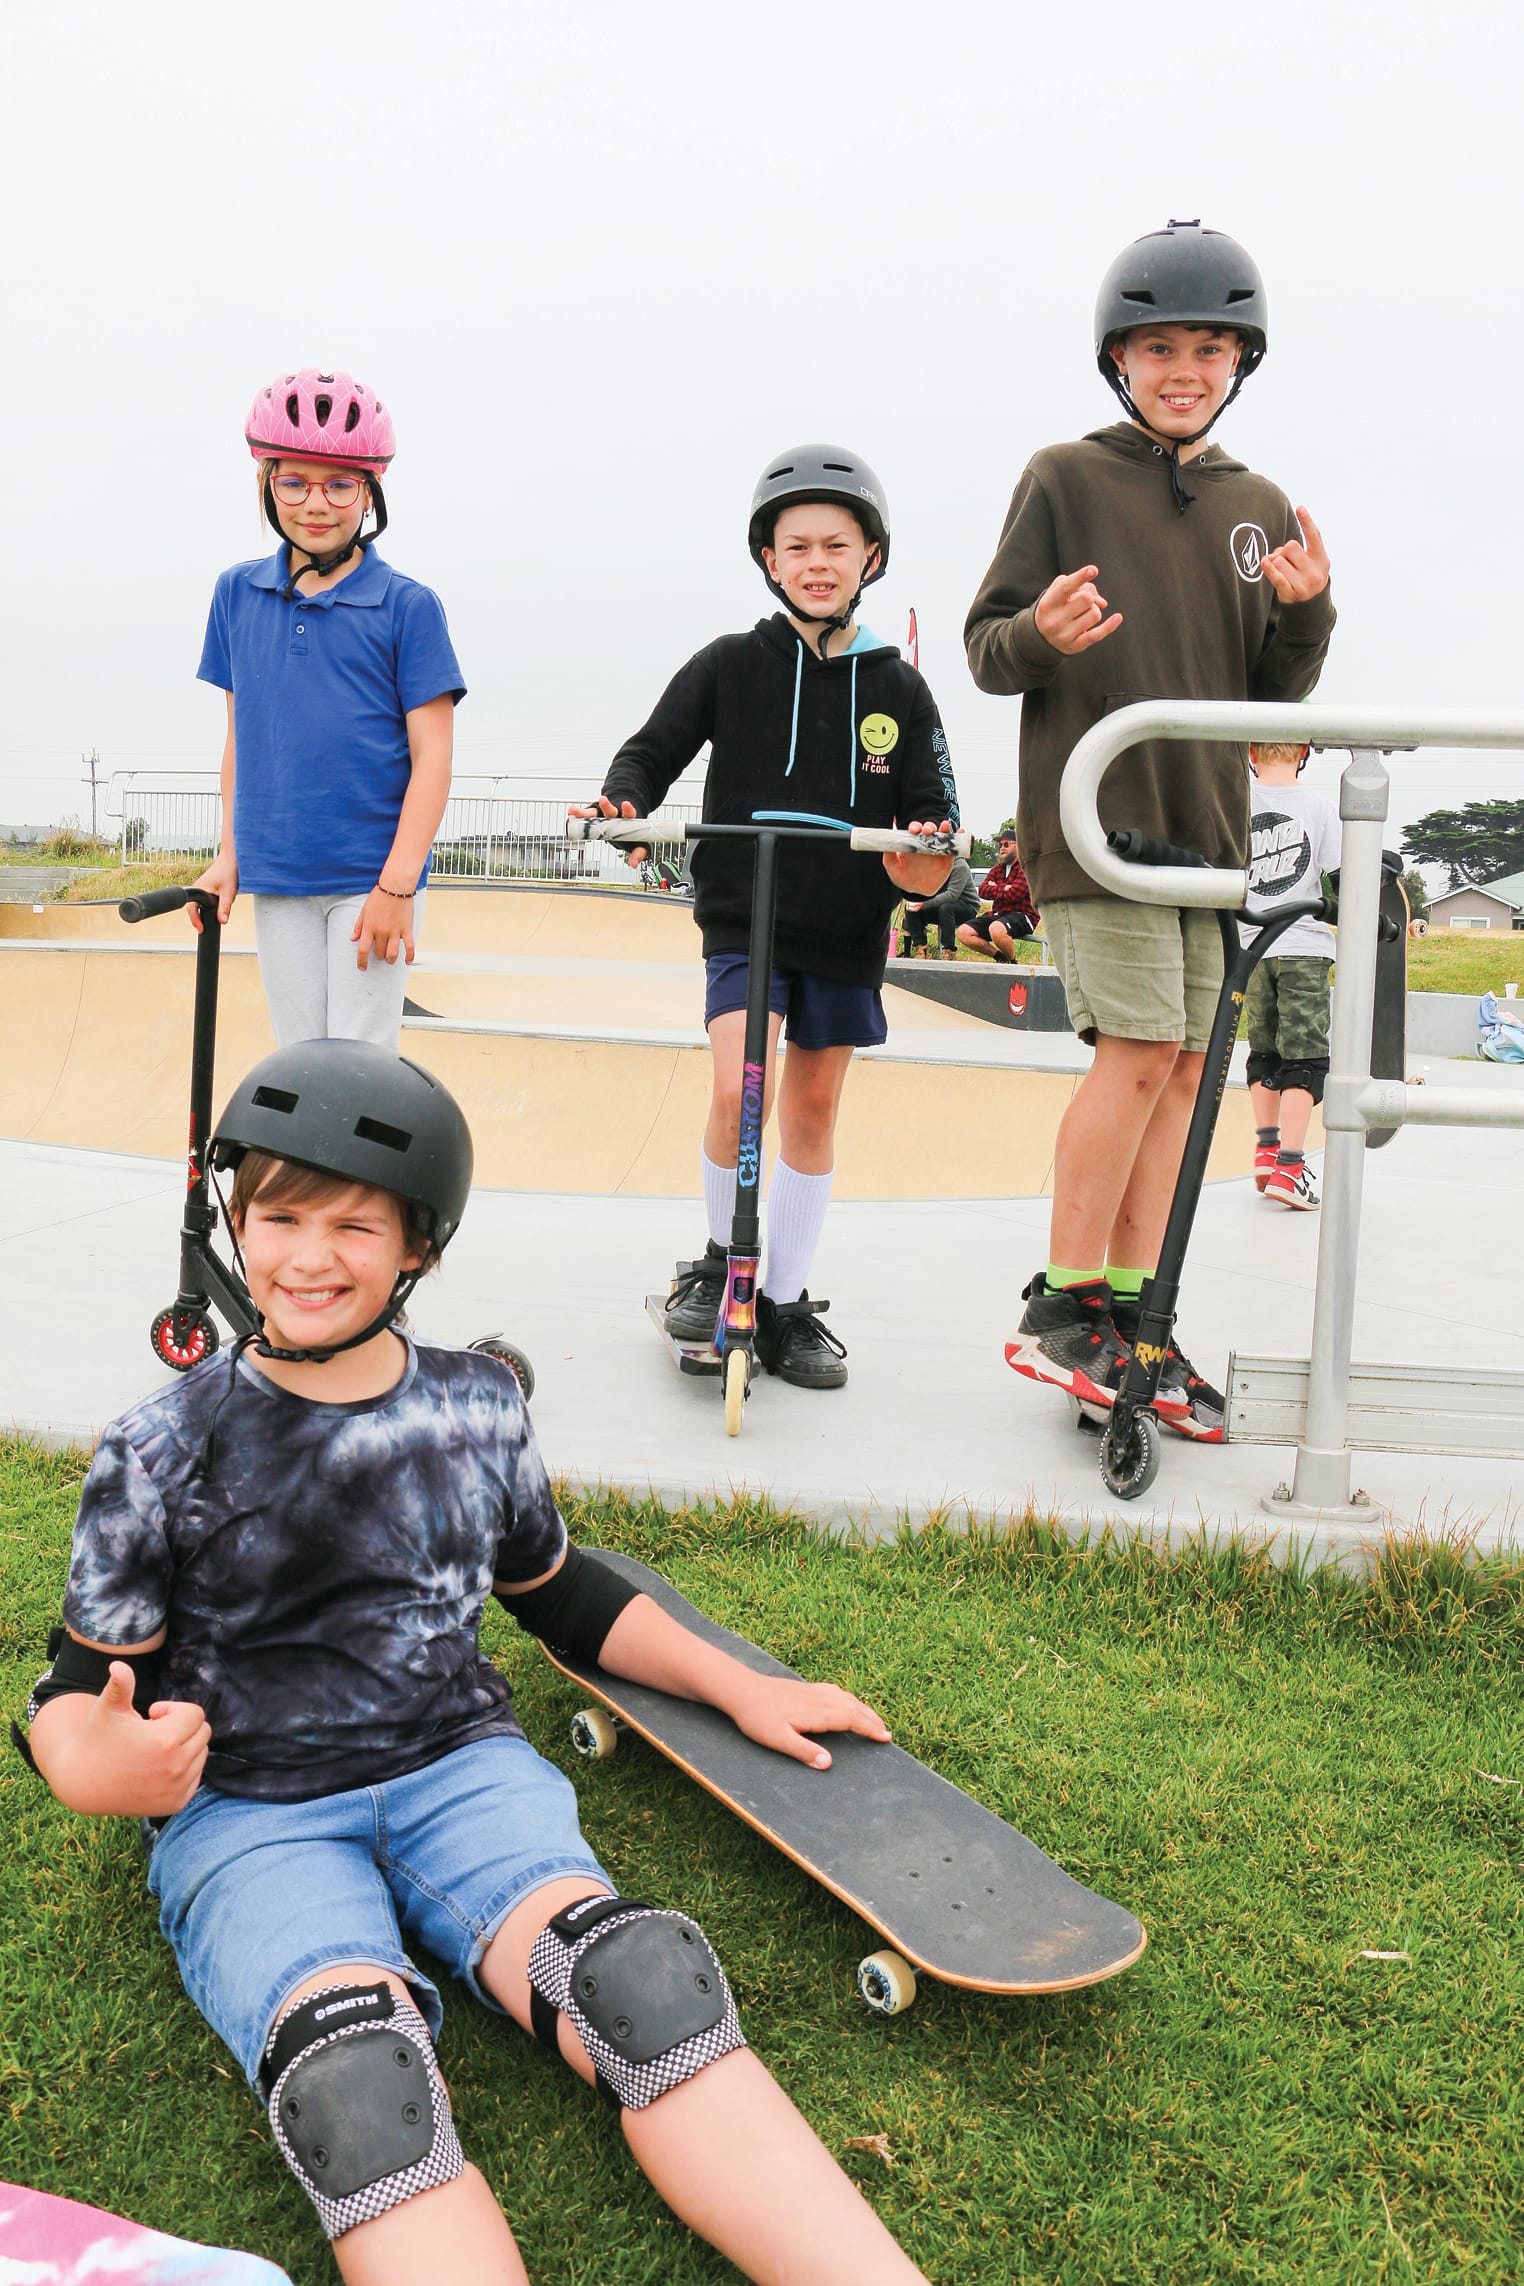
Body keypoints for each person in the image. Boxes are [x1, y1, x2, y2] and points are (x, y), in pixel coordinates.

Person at [19, 1040, 929, 2286]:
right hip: (251, 1816)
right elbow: (78, 1691)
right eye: (279, 1217)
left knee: (644, 1985)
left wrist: (741, 1683)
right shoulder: (161, 1449)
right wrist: (96, 1766)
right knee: (353, 2083)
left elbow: (559, 1595)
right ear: (238, 1220)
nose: (307, 1256)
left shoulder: (476, 1407)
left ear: (418, 1250)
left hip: (463, 1776)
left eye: (353, 1225)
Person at [964, 220, 1335, 1441]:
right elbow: (986, 648)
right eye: (1161, 347)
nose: (1186, 369)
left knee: (1185, 1068)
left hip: (1210, 832)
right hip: (1099, 817)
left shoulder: (1257, 503)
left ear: (1241, 364)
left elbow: (1275, 702)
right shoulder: (1066, 478)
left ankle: (1139, 1311)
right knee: (1133, 1052)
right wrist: (1042, 637)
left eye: (1211, 350)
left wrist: (1308, 610)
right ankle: (1066, 1302)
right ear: (1119, 361)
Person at [577, 444, 959, 1390]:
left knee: (814, 1109)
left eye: (838, 544)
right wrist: (625, 804)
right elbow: (648, 754)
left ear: (872, 556)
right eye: (798, 547)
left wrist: (924, 855)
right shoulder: (729, 665)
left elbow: (933, 827)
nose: (818, 562)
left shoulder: (901, 689)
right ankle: (721, 1264)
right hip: (744, 913)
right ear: (769, 559)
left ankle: (782, 1299)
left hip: (845, 923)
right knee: (737, 1085)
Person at [192, 369, 464, 1052]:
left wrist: (397, 887)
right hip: (279, 876)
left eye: (341, 483)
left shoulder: (408, 607)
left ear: (369, 492)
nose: (317, 503)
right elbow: (241, 738)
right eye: (295, 482)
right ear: (266, 483)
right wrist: (231, 855)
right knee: (298, 1066)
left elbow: (434, 756)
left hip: (370, 878)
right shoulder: (235, 594)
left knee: (358, 1073)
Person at [1242, 739, 1340, 1209]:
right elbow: (1345, 873)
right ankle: (1291, 1166)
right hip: (1303, 944)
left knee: (1263, 1051)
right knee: (1305, 1060)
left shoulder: (1235, 800)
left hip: (1250, 949)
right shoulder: (1318, 805)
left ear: (1250, 750)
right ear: (1304, 748)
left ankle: (1265, 1150)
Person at [956, 824, 1039, 961]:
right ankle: (1000, 958)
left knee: (996, 929)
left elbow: (1015, 894)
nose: (1002, 848)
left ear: (1019, 846)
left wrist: (995, 888)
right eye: (1000, 845)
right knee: (963, 932)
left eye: (1006, 844)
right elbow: (982, 891)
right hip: (999, 914)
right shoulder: (997, 868)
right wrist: (1005, 887)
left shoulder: (1027, 867)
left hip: (1023, 915)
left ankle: (1012, 962)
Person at [900, 852, 978, 957]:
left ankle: (948, 952)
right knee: (912, 907)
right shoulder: (934, 865)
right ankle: (921, 949)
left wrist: (924, 903)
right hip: (942, 907)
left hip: (967, 907)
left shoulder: (960, 866)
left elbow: (951, 895)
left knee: (946, 907)